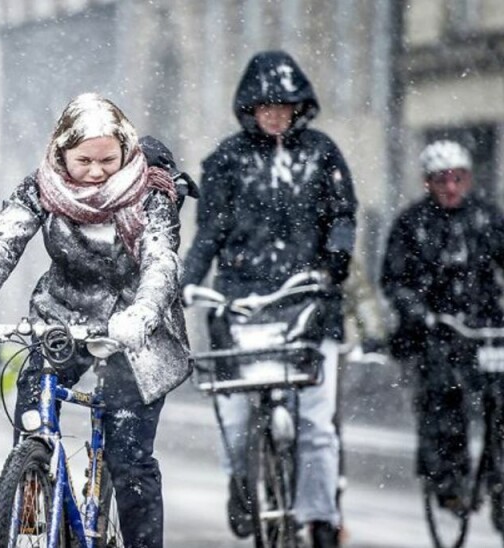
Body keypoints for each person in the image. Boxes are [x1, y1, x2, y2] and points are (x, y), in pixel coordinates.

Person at [0, 93, 192, 548]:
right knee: (33, 422)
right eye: (84, 161)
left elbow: (161, 262)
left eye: (108, 160)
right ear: (61, 155)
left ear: (127, 152)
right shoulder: (42, 187)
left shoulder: (150, 191)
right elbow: (1, 243)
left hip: (134, 328)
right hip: (62, 321)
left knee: (129, 458)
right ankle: (35, 516)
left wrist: (141, 313)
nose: (96, 172)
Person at [179, 50, 357, 547]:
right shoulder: (225, 161)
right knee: (236, 422)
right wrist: (186, 282)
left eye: (284, 105)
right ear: (249, 109)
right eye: (265, 106)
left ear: (300, 107)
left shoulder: (323, 154)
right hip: (242, 309)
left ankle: (319, 519)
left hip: (308, 309)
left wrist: (334, 262)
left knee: (316, 425)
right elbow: (208, 234)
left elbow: (342, 216)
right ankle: (243, 483)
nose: (275, 114)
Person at [380, 140, 504, 525]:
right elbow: (395, 280)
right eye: (442, 180)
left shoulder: (487, 218)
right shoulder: (412, 223)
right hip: (436, 333)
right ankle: (447, 480)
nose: (451, 187)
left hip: (486, 328)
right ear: (428, 182)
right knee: (443, 397)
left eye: (458, 179)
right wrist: (421, 314)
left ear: (468, 180)